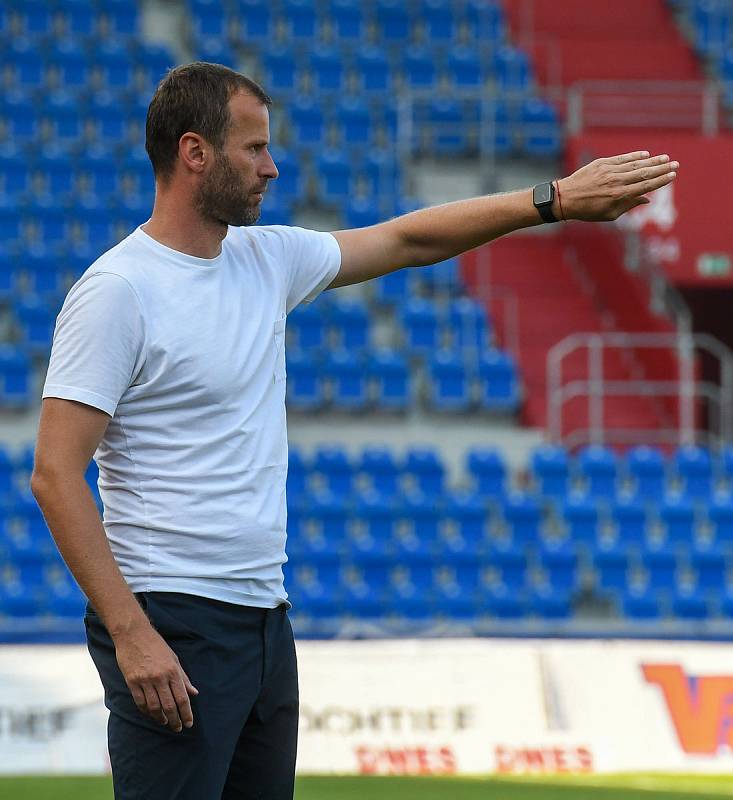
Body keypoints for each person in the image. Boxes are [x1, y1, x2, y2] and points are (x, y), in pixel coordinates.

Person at [30, 62, 678, 799]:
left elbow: (404, 239)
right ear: (193, 153)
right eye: (253, 149)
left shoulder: (264, 259)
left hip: (263, 619)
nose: (272, 168)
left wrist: (551, 200)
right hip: (171, 618)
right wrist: (131, 632)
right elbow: (55, 473)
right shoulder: (119, 291)